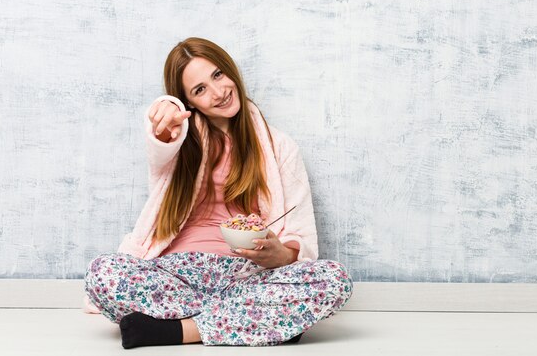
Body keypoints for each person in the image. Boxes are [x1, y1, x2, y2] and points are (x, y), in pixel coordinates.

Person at [83, 37, 353, 349]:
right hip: (176, 274)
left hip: (246, 275)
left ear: (230, 70)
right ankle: (261, 323)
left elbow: (300, 234)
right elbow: (162, 135)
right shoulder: (182, 141)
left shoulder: (280, 148)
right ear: (189, 102)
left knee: (333, 279)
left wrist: (278, 254)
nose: (218, 92)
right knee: (103, 273)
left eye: (217, 75)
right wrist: (165, 113)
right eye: (199, 90)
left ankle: (178, 331)